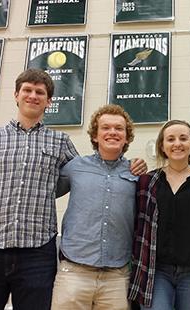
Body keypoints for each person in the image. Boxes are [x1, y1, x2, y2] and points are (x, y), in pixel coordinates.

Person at [0, 69, 79, 310]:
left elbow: (85, 178)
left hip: (37, 253)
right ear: (16, 95)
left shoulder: (60, 142)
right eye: (27, 90)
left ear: (49, 101)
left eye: (40, 92)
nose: (33, 96)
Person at [51, 105, 139, 309]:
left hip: (117, 276)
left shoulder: (136, 173)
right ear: (95, 136)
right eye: (105, 127)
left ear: (127, 137)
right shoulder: (75, 167)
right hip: (74, 271)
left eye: (119, 129)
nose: (112, 132)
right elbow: (45, 194)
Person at [129, 120, 190, 310]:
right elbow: (137, 224)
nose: (177, 143)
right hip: (156, 271)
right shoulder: (147, 181)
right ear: (162, 146)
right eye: (170, 139)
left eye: (183, 138)